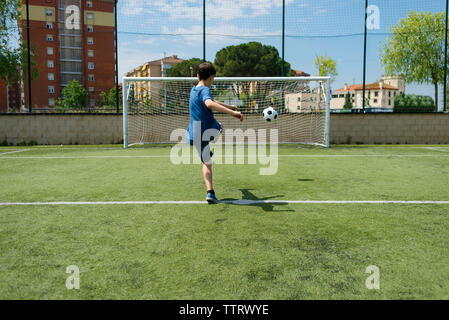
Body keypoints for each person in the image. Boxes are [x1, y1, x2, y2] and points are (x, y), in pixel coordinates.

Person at [186, 62, 243, 203]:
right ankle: (216, 134)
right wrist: (232, 112)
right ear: (212, 77)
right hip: (208, 130)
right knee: (219, 127)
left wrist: (228, 105)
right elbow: (209, 103)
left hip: (194, 134)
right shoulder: (205, 89)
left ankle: (210, 192)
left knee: (207, 162)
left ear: (197, 76)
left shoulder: (194, 90)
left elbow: (211, 100)